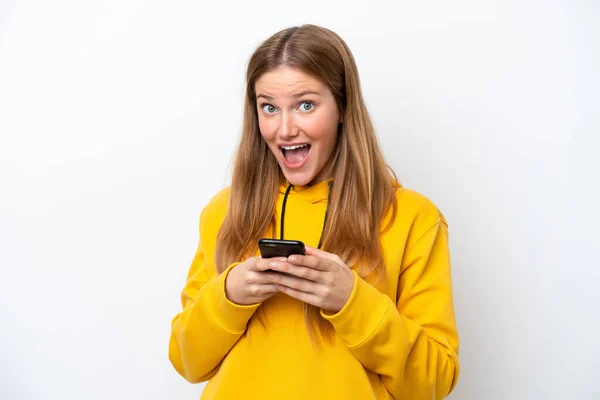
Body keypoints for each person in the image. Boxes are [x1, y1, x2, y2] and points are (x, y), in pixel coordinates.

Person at [169, 24, 460, 400]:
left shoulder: (412, 218)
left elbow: (433, 382)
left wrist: (352, 301)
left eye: (305, 105)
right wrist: (228, 295)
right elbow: (187, 361)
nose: (285, 129)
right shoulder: (225, 211)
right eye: (268, 107)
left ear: (342, 107)